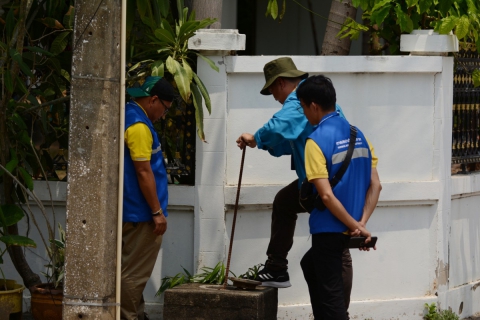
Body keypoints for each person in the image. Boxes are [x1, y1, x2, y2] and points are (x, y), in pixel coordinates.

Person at [236, 56, 348, 289]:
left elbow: (279, 127)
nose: (275, 98)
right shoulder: (321, 102)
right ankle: (276, 268)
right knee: (286, 202)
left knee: (336, 247)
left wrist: (255, 139)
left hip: (323, 184)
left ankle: (278, 269)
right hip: (337, 180)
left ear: (280, 83)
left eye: (273, 91)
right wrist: (266, 144)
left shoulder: (299, 100)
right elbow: (289, 142)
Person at [297, 75, 381, 319]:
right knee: (310, 265)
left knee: (334, 306)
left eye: (303, 107)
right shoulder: (359, 135)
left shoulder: (315, 141)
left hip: (328, 230)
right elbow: (376, 185)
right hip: (350, 226)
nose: (304, 114)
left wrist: (355, 226)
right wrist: (361, 223)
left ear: (313, 105)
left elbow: (325, 195)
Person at [121, 76, 175, 320]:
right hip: (141, 213)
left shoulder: (129, 113)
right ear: (153, 100)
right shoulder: (139, 127)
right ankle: (128, 317)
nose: (163, 115)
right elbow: (143, 171)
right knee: (133, 274)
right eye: (164, 109)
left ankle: (137, 314)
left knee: (132, 271)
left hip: (132, 211)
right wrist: (156, 212)